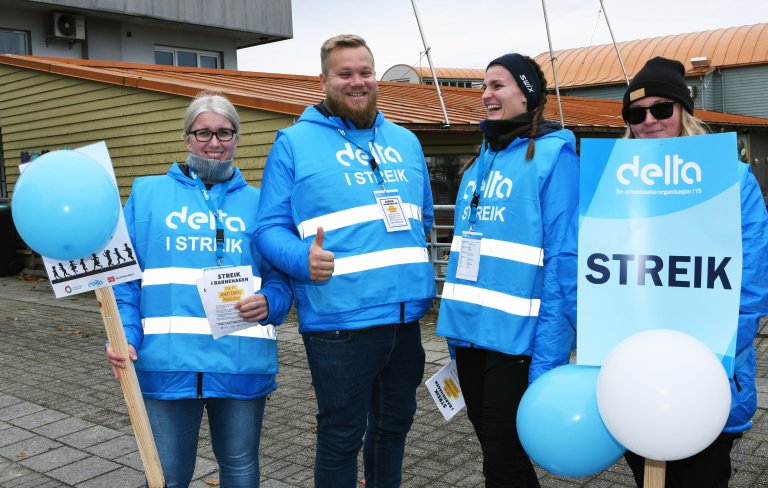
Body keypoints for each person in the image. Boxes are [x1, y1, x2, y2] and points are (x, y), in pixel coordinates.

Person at [254, 34, 436, 487]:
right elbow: (266, 229)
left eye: (365, 72)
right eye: (345, 73)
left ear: (376, 76)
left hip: (405, 319)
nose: (358, 82)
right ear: (324, 80)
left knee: (393, 430)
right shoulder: (293, 143)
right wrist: (302, 258)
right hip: (339, 325)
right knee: (341, 437)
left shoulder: (408, 141)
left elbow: (423, 219)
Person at [106, 91, 292, 487]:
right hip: (166, 362)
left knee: (240, 468)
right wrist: (126, 335)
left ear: (236, 138)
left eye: (224, 132)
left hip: (240, 360)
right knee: (168, 476)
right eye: (203, 132)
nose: (214, 142)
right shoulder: (149, 194)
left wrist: (271, 302)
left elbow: (281, 278)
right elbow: (125, 277)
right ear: (187, 137)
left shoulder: (262, 203)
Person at [615, 56, 768, 487]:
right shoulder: (613, 187)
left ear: (684, 112)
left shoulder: (733, 180)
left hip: (707, 374)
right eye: (636, 113)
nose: (649, 120)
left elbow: (752, 284)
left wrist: (705, 364)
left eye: (662, 109)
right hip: (635, 370)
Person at [435, 53, 579, 487]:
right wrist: (456, 343)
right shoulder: (479, 163)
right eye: (484, 86)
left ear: (526, 94)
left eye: (497, 85)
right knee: (499, 459)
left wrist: (549, 359)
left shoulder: (557, 156)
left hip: (519, 343)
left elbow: (563, 263)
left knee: (502, 460)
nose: (485, 95)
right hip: (471, 337)